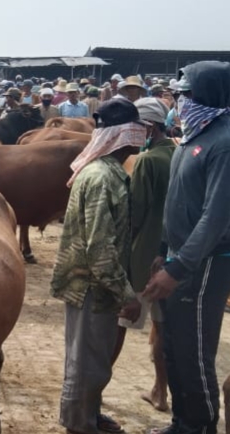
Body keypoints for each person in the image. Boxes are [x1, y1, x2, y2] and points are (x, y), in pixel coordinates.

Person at [143, 61, 230, 434]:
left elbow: (216, 216)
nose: (179, 100)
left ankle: (201, 426)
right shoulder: (192, 137)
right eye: (178, 94)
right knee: (174, 350)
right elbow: (174, 201)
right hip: (178, 256)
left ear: (207, 95)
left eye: (186, 94)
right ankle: (182, 422)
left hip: (206, 261)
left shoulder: (223, 143)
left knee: (194, 351)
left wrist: (178, 269)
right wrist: (163, 250)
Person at [51, 99, 146, 434]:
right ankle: (79, 425)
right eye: (136, 131)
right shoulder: (102, 177)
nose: (140, 138)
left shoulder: (108, 172)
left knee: (94, 360)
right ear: (125, 135)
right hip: (91, 285)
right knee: (85, 364)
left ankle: (89, 415)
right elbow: (100, 246)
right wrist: (127, 294)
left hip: (98, 285)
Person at [112, 97, 174, 414]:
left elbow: (134, 214)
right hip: (171, 258)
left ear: (148, 126)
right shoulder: (178, 154)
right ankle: (160, 392)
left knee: (120, 323)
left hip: (143, 258)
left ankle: (96, 388)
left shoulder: (148, 161)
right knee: (162, 330)